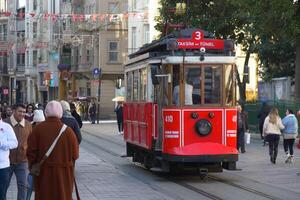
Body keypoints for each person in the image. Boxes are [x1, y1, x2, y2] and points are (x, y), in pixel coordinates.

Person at [27, 101, 79, 200]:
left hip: (44, 174)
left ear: (46, 112)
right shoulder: (68, 131)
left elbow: (30, 153)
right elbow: (75, 155)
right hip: (64, 175)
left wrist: (33, 166)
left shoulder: (37, 130)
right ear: (60, 113)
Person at [3, 104, 32, 200]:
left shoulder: (28, 125)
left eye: (24, 112)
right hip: (7, 162)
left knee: (23, 186)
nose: (22, 114)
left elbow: (31, 142)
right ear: (13, 111)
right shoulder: (5, 123)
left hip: (22, 161)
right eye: (20, 111)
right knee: (3, 187)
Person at [0, 112, 18, 200]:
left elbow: (15, 143)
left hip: (3, 167)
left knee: (2, 195)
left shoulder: (7, 127)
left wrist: (2, 143)